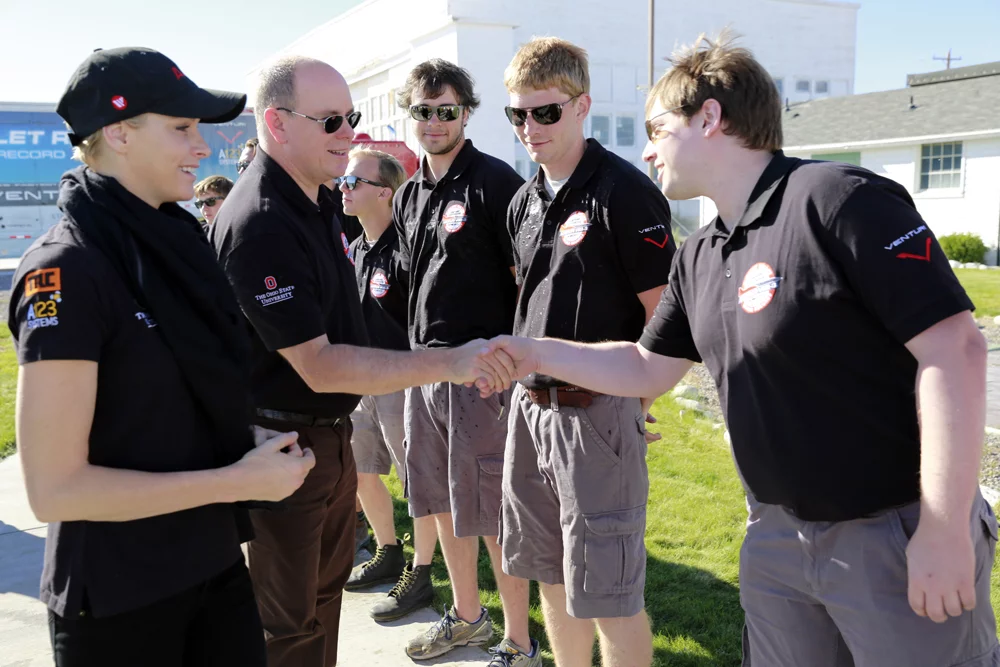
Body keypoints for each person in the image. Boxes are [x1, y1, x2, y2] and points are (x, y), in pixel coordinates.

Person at [489, 33, 999, 667]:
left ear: (709, 117)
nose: (646, 150)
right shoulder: (701, 255)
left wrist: (944, 530)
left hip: (891, 530)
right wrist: (534, 353)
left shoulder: (836, 199)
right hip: (774, 537)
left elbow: (955, 349)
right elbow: (646, 366)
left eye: (657, 129)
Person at [7, 47, 315, 667]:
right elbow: (55, 490)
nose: (202, 147)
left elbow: (165, 405)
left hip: (213, 570)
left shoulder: (174, 246)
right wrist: (233, 481)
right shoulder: (65, 269)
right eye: (181, 127)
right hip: (122, 602)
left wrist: (243, 442)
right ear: (119, 133)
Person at [209, 55, 513, 667]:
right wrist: (447, 363)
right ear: (277, 122)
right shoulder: (262, 221)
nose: (348, 133)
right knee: (287, 626)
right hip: (283, 450)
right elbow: (319, 365)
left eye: (349, 118)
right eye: (330, 121)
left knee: (320, 606)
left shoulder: (317, 201)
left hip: (327, 439)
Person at [498, 37, 676, 667]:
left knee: (609, 595)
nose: (529, 127)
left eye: (544, 111)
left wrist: (637, 402)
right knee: (549, 573)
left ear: (581, 106)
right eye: (517, 114)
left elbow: (666, 318)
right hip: (530, 410)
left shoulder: (624, 193)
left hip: (595, 414)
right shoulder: (523, 201)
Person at [392, 58, 538, 665]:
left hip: (484, 376)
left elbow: (528, 280)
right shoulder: (408, 193)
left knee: (496, 513)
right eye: (422, 111)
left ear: (467, 113)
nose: (433, 121)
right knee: (443, 503)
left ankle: (520, 642)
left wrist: (514, 359)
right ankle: (469, 618)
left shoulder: (496, 182)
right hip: (425, 372)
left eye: (445, 110)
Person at [338, 146, 440, 621]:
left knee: (417, 482)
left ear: (384, 193)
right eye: (343, 180)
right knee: (362, 471)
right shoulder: (355, 248)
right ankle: (388, 550)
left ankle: (421, 572)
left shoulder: (407, 250)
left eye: (353, 181)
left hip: (402, 381)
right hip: (360, 380)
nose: (343, 188)